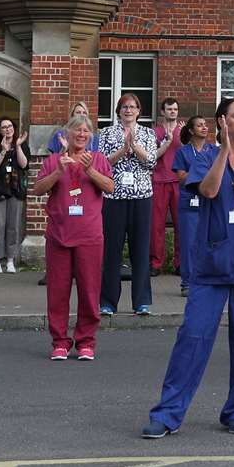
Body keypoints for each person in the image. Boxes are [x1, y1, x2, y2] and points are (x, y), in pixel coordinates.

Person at [143, 95, 234, 437]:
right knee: (193, 336)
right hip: (213, 264)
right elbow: (208, 190)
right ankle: (167, 413)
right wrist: (223, 150)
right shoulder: (205, 158)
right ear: (223, 123)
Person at [32, 111, 113, 360]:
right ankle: (60, 341)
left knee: (89, 291)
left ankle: (86, 341)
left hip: (89, 235)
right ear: (68, 133)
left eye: (86, 130)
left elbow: (110, 187)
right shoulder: (54, 160)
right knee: (57, 291)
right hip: (59, 234)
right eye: (77, 129)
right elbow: (37, 189)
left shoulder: (98, 159)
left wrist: (90, 171)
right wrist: (57, 172)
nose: (81, 134)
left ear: (91, 136)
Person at [98, 94, 156, 316]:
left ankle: (141, 301)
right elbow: (102, 163)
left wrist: (134, 146)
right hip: (114, 197)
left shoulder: (148, 133)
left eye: (132, 107)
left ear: (139, 111)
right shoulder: (107, 133)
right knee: (112, 251)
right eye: (124, 107)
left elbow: (151, 161)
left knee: (140, 250)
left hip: (141, 197)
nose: (128, 110)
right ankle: (108, 302)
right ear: (118, 111)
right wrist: (123, 149)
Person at [172, 114, 216, 296]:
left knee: (210, 242)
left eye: (205, 125)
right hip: (189, 203)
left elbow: (219, 174)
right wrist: (203, 176)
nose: (204, 128)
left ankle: (208, 279)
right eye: (199, 125)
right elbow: (180, 178)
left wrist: (196, 176)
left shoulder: (214, 151)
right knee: (189, 243)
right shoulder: (183, 152)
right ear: (191, 131)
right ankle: (187, 282)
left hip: (210, 203)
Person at [0, 117, 30, 274]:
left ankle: (10, 260)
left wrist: (17, 146)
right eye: (4, 127)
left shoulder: (22, 146)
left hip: (15, 190)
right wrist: (4, 150)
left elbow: (24, 165)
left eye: (10, 126)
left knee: (13, 226)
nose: (7, 129)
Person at [149, 98, 184, 276]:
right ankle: (156, 263)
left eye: (175, 109)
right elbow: (150, 157)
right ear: (162, 112)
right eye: (169, 109)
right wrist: (166, 142)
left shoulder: (184, 131)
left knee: (181, 224)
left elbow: (191, 153)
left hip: (178, 181)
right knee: (156, 225)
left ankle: (180, 263)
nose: (173, 112)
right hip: (159, 180)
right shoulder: (154, 132)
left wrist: (185, 137)